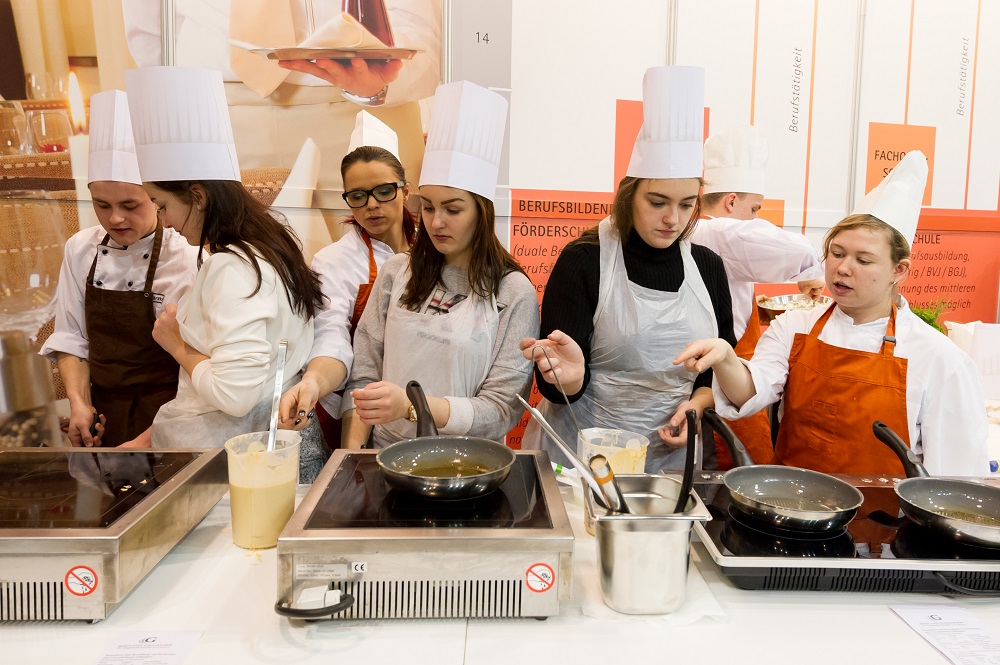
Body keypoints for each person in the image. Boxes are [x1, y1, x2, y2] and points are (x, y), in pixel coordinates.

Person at [676, 151, 989, 477]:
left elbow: (956, 479)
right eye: (836, 253)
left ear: (899, 270)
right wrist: (725, 357)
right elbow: (751, 392)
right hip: (792, 501)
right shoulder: (795, 326)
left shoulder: (941, 360)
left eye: (863, 260)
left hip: (886, 510)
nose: (842, 268)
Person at [520, 66, 736, 473]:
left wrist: (697, 405)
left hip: (670, 465)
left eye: (686, 204)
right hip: (582, 461)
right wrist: (570, 378)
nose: (673, 219)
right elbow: (555, 383)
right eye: (657, 202)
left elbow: (719, 366)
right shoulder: (585, 260)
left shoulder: (708, 268)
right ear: (629, 194)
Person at [123, 66, 328, 481]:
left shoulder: (233, 266)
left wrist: (176, 344)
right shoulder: (267, 244)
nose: (163, 221)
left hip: (252, 462)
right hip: (278, 450)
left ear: (197, 196)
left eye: (161, 205)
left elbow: (234, 396)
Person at [342, 81, 538, 448]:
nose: (435, 222)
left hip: (470, 462)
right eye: (428, 207)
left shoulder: (513, 292)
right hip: (388, 455)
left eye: (453, 209)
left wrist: (412, 407)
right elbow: (364, 377)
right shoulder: (397, 272)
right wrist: (351, 459)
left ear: (482, 212)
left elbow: (501, 409)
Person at [122, 0, 441, 200]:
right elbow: (152, 29)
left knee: (378, 275)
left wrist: (378, 84)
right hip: (216, 122)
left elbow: (421, 30)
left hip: (361, 116)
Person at [40, 89, 199, 447]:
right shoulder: (80, 249)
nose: (115, 218)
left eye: (130, 205)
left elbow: (199, 369)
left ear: (156, 199)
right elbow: (72, 339)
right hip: (103, 417)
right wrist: (80, 405)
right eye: (102, 204)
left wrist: (147, 441)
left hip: (171, 419)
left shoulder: (187, 255)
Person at [690, 125, 824, 465]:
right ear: (731, 201)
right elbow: (797, 251)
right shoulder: (719, 231)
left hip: (702, 382)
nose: (754, 218)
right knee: (732, 478)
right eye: (754, 209)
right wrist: (812, 272)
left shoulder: (692, 230)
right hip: (723, 384)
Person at [280, 111, 415, 447]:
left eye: (383, 191)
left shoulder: (435, 251)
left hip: (418, 400)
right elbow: (332, 337)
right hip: (354, 410)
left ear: (405, 191)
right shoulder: (334, 261)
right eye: (357, 196)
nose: (371, 205)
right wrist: (313, 381)